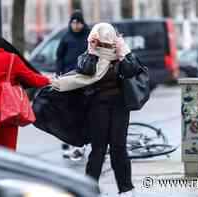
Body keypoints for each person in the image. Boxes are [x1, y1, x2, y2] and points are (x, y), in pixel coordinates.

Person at [51, 23, 140, 196]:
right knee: (98, 149)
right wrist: (92, 51)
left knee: (119, 147)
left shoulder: (122, 52)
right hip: (97, 106)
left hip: (119, 106)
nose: (106, 46)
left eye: (108, 43)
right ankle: (90, 189)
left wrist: (123, 53)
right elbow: (85, 70)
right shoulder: (89, 54)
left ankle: (126, 188)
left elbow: (131, 71)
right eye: (102, 43)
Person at [56, 10, 90, 160]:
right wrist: (59, 72)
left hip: (84, 79)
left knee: (83, 111)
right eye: (73, 22)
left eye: (78, 22)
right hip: (68, 79)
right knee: (68, 111)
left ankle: (81, 141)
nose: (76, 25)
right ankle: (67, 140)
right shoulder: (66, 37)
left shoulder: (89, 36)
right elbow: (59, 56)